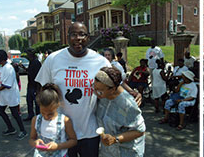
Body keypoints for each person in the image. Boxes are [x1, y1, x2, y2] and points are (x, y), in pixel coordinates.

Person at [35, 22, 140, 157]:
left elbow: (114, 85)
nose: (77, 38)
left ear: (88, 38)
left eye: (82, 34)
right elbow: (40, 89)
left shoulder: (100, 61)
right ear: (67, 37)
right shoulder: (53, 59)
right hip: (61, 131)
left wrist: (131, 94)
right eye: (73, 34)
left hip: (90, 131)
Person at [93, 67, 146, 156]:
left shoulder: (127, 105)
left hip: (127, 152)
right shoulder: (103, 96)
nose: (96, 93)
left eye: (100, 91)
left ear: (112, 89)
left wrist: (115, 139)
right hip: (108, 151)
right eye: (94, 88)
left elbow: (140, 131)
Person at [29, 83, 78, 157]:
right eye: (42, 113)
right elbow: (31, 139)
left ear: (58, 105)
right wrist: (35, 143)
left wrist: (58, 146)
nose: (46, 116)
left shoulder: (64, 121)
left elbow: (73, 141)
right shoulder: (35, 120)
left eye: (50, 114)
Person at [0, 50, 28, 139]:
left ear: (0, 59)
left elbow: (7, 85)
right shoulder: (3, 67)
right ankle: (11, 128)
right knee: (0, 111)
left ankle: (23, 131)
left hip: (10, 94)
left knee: (15, 113)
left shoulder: (8, 68)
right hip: (4, 95)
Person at [24, 49, 43, 121]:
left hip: (35, 86)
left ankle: (39, 117)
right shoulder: (31, 62)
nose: (27, 55)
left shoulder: (36, 63)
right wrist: (24, 68)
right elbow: (30, 72)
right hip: (30, 85)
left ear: (31, 54)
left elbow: (39, 76)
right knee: (29, 101)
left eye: (28, 53)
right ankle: (30, 115)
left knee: (37, 103)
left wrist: (38, 89)